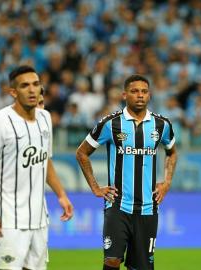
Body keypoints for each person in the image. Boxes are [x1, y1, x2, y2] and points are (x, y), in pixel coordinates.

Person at [76, 74, 178, 270]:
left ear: (149, 95)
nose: (140, 95)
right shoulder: (110, 124)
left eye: (144, 91)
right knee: (112, 260)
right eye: (134, 91)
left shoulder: (162, 125)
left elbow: (172, 153)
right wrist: (96, 188)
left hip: (148, 207)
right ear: (124, 95)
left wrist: (167, 182)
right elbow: (82, 153)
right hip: (118, 206)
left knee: (141, 267)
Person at [0, 65, 74, 270]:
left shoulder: (45, 119)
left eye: (36, 84)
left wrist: (61, 194)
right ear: (13, 92)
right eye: (25, 86)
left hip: (39, 218)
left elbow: (45, 160)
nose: (32, 90)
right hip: (8, 219)